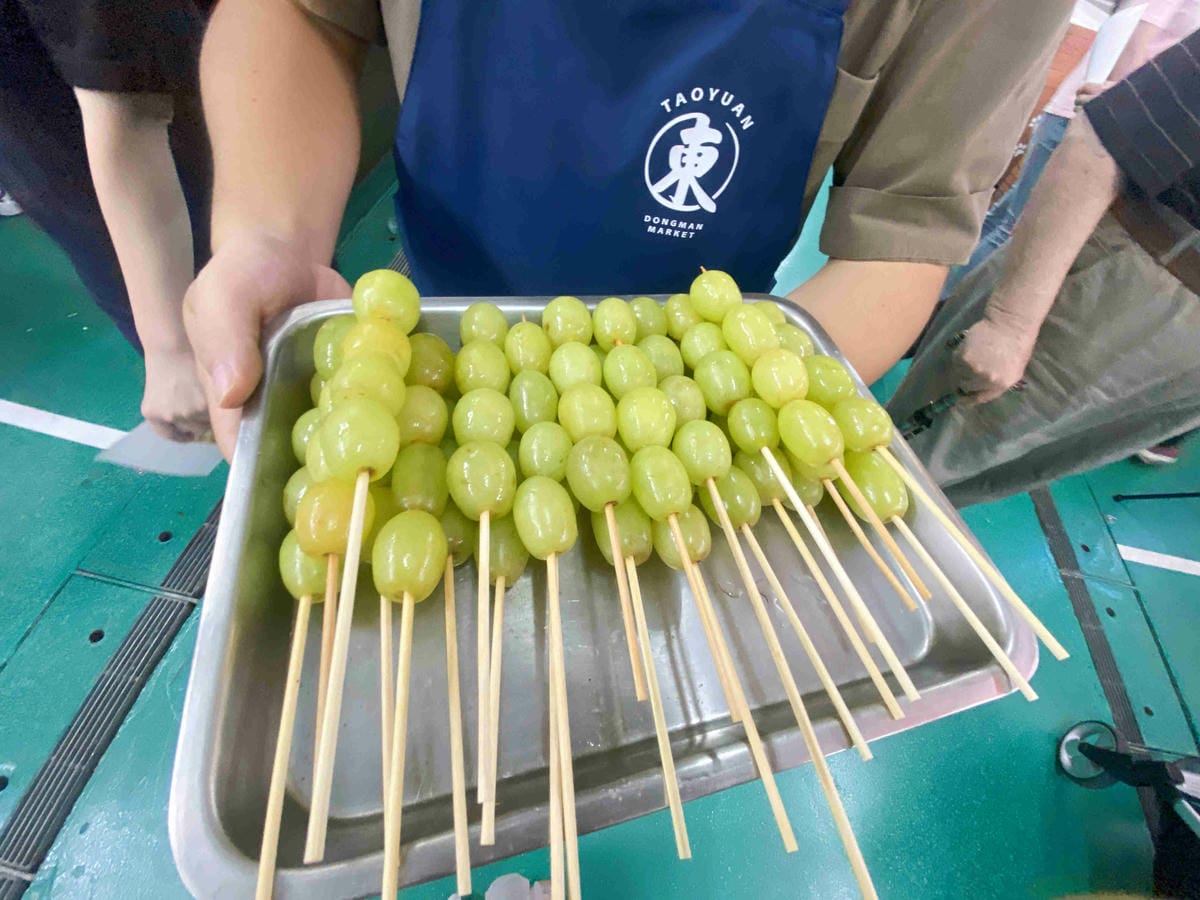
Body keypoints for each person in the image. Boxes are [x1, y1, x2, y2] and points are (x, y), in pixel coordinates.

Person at [184, 0, 1076, 457]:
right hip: (424, 327)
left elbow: (904, 228)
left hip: (691, 377)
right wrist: (269, 233)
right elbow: (300, 12)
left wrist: (705, 433)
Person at [887, 29, 1200, 506]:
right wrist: (1010, 323)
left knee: (956, 492)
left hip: (1179, 370)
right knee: (903, 468)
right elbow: (1103, 142)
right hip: (1124, 294)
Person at [0, 0, 213, 441]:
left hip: (169, 201)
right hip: (78, 206)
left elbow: (128, 108)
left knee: (265, 372)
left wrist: (170, 346)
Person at [940, 0, 1200, 300]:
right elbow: (1135, 34)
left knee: (1001, 221)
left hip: (1084, 115)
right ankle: (935, 314)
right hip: (1088, 120)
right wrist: (1113, 105)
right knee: (1013, 231)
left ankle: (932, 306)